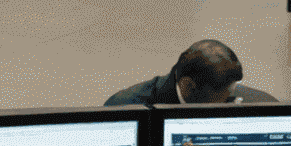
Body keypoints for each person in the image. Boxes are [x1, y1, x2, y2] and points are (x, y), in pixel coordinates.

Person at [104, 39, 274, 107]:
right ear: (188, 86)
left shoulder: (265, 104)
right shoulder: (125, 108)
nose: (228, 103)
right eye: (221, 100)